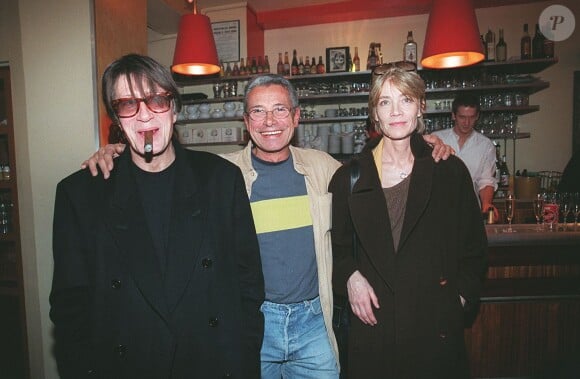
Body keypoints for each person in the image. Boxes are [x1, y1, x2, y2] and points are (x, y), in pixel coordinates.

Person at [84, 73, 454, 378]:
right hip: (253, 325)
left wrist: (426, 144)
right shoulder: (219, 177)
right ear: (246, 123)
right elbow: (159, 167)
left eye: (279, 110)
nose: (269, 122)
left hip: (314, 322)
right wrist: (116, 151)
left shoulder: (326, 169)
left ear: (297, 117)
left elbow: (374, 186)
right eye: (257, 113)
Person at [50, 54, 264, 379]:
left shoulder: (221, 180)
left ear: (175, 109)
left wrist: (241, 362)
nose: (144, 115)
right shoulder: (80, 195)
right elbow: (70, 312)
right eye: (127, 104)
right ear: (116, 120)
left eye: (156, 100)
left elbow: (249, 286)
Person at [329, 63, 488, 378]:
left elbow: (474, 248)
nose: (396, 111)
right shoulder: (349, 177)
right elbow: (335, 249)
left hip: (433, 327)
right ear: (375, 113)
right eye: (385, 102)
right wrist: (349, 277)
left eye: (406, 99)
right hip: (374, 329)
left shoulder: (448, 171)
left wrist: (458, 300)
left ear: (421, 106)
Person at [432, 93, 499, 220]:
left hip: (469, 211)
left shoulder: (485, 145)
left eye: (471, 117)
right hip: (438, 210)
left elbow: (486, 180)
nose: (467, 122)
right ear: (453, 115)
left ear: (477, 116)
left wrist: (486, 203)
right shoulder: (437, 139)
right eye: (462, 117)